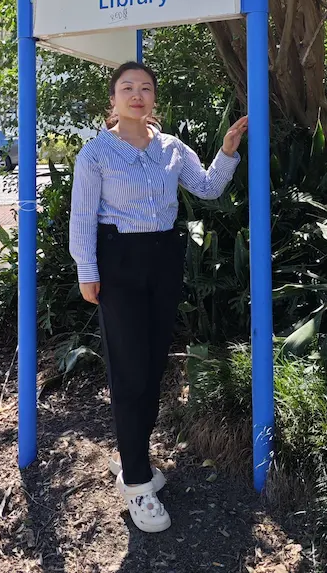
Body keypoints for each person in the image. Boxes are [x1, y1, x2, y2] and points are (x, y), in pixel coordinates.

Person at [69, 61, 248, 533]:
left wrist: (227, 152)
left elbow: (207, 188)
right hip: (118, 263)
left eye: (145, 88)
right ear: (112, 101)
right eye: (127, 88)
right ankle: (135, 481)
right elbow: (83, 218)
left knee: (150, 366)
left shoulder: (171, 149)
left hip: (164, 260)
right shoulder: (96, 154)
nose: (137, 95)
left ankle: (135, 459)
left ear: (153, 99)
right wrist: (87, 271)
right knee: (129, 372)